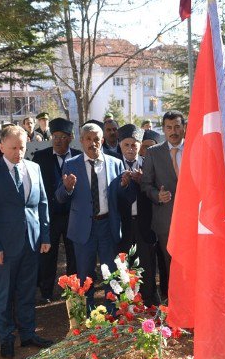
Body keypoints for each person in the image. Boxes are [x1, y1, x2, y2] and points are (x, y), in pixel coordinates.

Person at [0, 125, 54, 359]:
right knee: (5, 294)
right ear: (1, 147)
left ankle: (28, 333)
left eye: (22, 147)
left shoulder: (34, 168)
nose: (18, 152)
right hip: (5, 246)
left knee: (27, 291)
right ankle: (6, 338)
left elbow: (42, 203)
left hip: (32, 241)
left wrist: (45, 235)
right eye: (13, 148)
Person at [56, 122, 135, 304]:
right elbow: (59, 197)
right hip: (83, 229)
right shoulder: (71, 165)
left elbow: (126, 198)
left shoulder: (115, 162)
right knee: (85, 276)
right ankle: (88, 314)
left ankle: (112, 313)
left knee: (111, 273)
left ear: (102, 140)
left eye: (97, 139)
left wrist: (124, 185)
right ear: (82, 141)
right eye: (89, 139)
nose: (93, 143)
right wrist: (67, 188)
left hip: (108, 225)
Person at [32, 118, 81, 303]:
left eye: (62, 137)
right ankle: (45, 292)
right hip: (49, 215)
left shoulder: (78, 156)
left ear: (70, 137)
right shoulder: (41, 157)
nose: (58, 140)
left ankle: (74, 290)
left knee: (73, 253)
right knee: (47, 254)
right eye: (55, 137)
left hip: (72, 215)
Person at [140, 110, 186, 290]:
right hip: (166, 220)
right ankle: (175, 305)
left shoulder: (194, 149)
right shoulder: (153, 153)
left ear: (184, 128)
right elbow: (145, 184)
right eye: (169, 127)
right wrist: (157, 196)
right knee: (170, 264)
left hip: (192, 219)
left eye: (177, 127)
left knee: (192, 263)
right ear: (164, 130)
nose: (173, 131)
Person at [116, 124, 157, 291]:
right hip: (122, 224)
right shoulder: (114, 164)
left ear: (140, 146)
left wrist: (143, 183)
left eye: (134, 145)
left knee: (146, 265)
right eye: (126, 145)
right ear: (120, 145)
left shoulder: (149, 164)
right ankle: (125, 304)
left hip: (144, 223)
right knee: (124, 266)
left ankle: (149, 300)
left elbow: (156, 192)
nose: (131, 149)